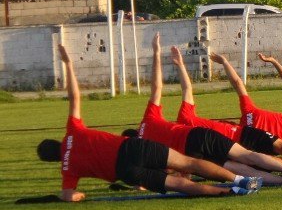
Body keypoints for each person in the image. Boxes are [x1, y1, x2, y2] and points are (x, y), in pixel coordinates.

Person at [36, 46, 261, 201]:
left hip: (125, 171)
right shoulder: (73, 132)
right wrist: (67, 63)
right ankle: (240, 180)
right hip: (133, 146)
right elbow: (75, 96)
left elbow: (69, 196)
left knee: (178, 185)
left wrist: (74, 195)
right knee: (188, 163)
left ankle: (228, 193)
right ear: (57, 141)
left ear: (52, 159)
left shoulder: (68, 170)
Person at [135, 34, 282, 186]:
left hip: (194, 152)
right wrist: (165, 58)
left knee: (234, 166)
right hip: (204, 137)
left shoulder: (147, 151)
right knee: (250, 156)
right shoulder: (164, 119)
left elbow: (168, 169)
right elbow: (177, 89)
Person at [170, 46, 282, 171]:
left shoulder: (246, 114)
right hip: (242, 144)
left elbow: (236, 84)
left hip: (252, 138)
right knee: (267, 158)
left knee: (281, 150)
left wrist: (224, 63)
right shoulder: (184, 132)